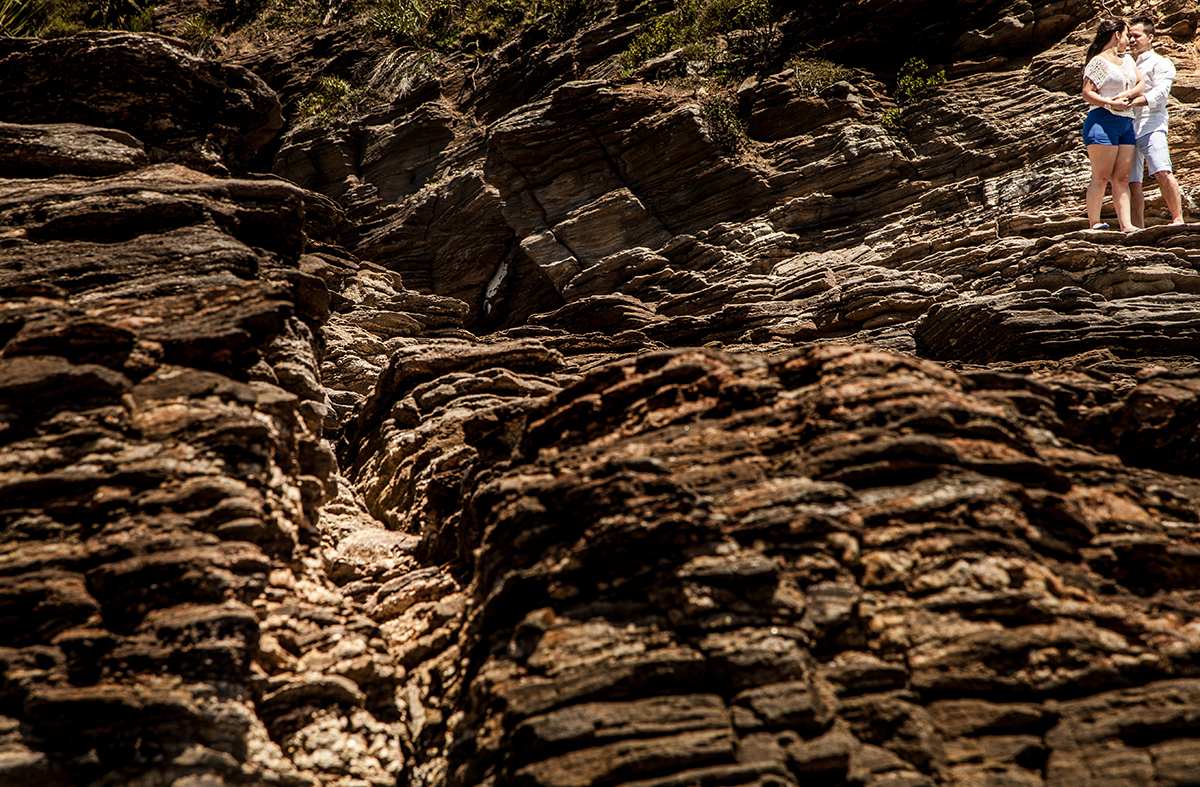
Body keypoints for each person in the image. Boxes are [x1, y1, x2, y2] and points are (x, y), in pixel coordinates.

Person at [1081, 18, 1145, 231]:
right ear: (1117, 35)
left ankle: (1126, 224)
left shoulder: (1127, 60)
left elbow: (1141, 84)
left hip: (1126, 122)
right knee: (1101, 176)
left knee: (1122, 177)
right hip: (1102, 120)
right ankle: (1094, 223)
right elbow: (1087, 93)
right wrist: (1110, 102)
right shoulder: (1098, 61)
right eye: (1127, 35)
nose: (1128, 40)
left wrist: (1127, 94)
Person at [1127, 16, 1185, 226]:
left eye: (1136, 36)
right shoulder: (1125, 63)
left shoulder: (1161, 62)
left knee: (1162, 170)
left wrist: (1134, 102)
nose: (1132, 40)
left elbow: (1161, 93)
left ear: (1150, 37)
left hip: (1152, 124)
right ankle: (1136, 227)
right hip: (1127, 127)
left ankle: (1177, 219)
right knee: (1132, 181)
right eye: (1129, 36)